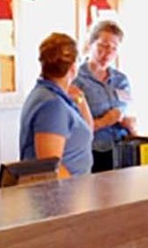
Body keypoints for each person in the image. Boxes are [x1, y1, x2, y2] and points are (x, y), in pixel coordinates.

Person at [19, 32, 93, 178]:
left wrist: (80, 98)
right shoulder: (52, 106)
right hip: (63, 197)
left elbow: (88, 131)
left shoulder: (51, 96)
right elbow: (51, 168)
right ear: (73, 68)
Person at [73, 19, 136, 172]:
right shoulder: (76, 79)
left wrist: (130, 124)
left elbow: (124, 111)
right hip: (91, 152)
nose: (108, 53)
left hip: (121, 149)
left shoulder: (121, 80)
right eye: (103, 46)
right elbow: (74, 125)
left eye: (114, 48)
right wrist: (103, 121)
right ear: (90, 44)